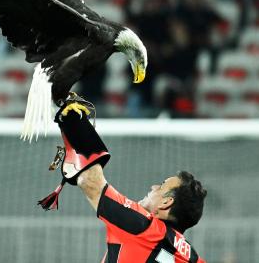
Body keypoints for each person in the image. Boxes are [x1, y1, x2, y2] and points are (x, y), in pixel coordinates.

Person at [40, 95, 207, 262]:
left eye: (161, 186)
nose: (154, 186)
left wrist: (73, 119)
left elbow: (89, 181)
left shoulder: (144, 227)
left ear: (166, 202)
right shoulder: (193, 258)